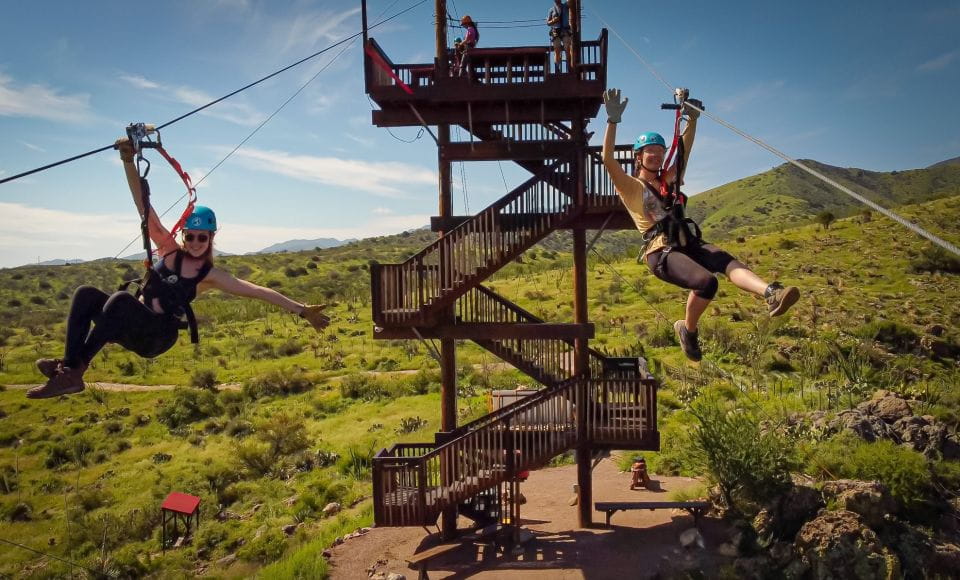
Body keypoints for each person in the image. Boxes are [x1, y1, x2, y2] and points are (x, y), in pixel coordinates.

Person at [26, 138, 331, 399]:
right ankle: (67, 369)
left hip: (157, 337)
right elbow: (144, 207)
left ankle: (75, 372)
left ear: (211, 238)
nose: (196, 242)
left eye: (203, 237)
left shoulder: (209, 275)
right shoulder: (167, 249)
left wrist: (302, 310)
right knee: (85, 294)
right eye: (191, 236)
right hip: (132, 327)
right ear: (183, 235)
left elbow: (257, 291)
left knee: (119, 300)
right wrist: (127, 161)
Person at [602, 88, 799, 362]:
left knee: (726, 261)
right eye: (650, 152)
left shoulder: (668, 180)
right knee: (707, 282)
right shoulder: (631, 187)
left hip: (687, 241)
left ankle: (771, 293)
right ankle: (688, 330)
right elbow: (608, 161)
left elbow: (684, 151)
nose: (657, 156)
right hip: (662, 251)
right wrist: (612, 121)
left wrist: (691, 120)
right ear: (638, 157)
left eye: (660, 151)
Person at [546, 0, 573, 73]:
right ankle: (557, 69)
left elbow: (571, 2)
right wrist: (553, 20)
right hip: (556, 32)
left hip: (565, 30)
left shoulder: (565, 6)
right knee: (557, 51)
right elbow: (548, 23)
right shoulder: (551, 10)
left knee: (568, 49)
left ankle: (569, 68)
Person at [457, 15, 479, 80]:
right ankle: (472, 78)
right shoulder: (473, 29)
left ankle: (460, 79)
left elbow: (467, 40)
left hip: (468, 48)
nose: (463, 26)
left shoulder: (470, 29)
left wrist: (460, 44)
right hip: (470, 48)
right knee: (470, 65)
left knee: (462, 65)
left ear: (466, 23)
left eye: (463, 24)